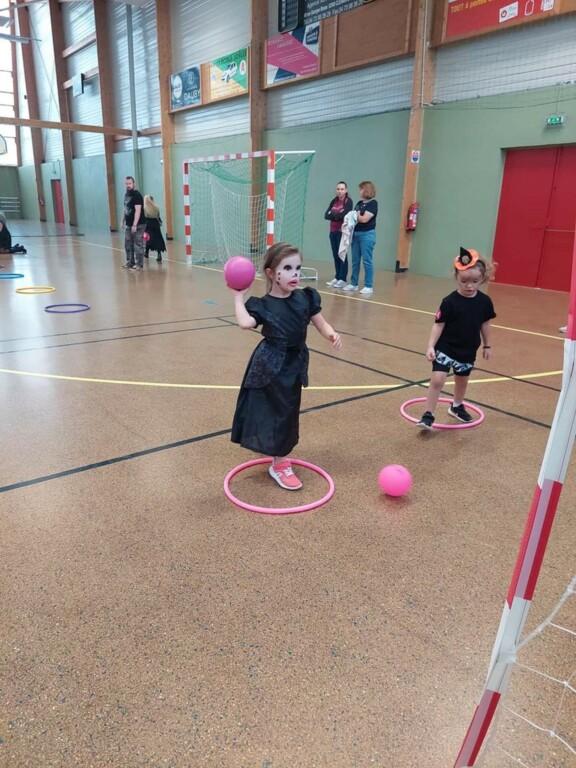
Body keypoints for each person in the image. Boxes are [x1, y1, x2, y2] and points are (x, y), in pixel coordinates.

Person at [230, 242, 342, 490]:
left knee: (287, 411)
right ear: (271, 273)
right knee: (274, 410)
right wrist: (238, 297)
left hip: (294, 364)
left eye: (298, 268)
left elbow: (321, 323)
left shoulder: (305, 298)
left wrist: (331, 334)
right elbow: (246, 323)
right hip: (269, 364)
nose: (295, 274)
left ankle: (277, 454)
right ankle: (280, 463)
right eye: (288, 268)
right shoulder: (263, 304)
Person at [417, 247, 497, 430]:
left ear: (482, 279)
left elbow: (486, 324)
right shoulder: (449, 301)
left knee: (462, 381)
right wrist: (431, 346)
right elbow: (438, 324)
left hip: (467, 349)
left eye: (475, 281)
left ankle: (456, 406)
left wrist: (487, 346)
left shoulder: (484, 302)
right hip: (445, 347)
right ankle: (428, 415)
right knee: (438, 379)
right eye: (464, 281)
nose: (469, 286)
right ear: (457, 277)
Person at [343, 180, 378, 295]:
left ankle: (368, 285)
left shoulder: (373, 203)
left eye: (361, 189)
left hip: (367, 235)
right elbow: (353, 216)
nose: (359, 191)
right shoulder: (359, 203)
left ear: (366, 190)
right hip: (356, 234)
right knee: (355, 260)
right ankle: (353, 283)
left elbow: (364, 219)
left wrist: (357, 215)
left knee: (367, 261)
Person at [324, 181, 353, 287]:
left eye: (342, 189)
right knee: (335, 255)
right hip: (333, 231)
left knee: (342, 254)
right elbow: (326, 215)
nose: (340, 191)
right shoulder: (334, 201)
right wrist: (337, 215)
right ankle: (337, 277)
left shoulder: (348, 201)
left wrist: (334, 215)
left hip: (342, 232)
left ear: (346, 190)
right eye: (338, 189)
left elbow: (344, 215)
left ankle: (342, 279)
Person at [121, 176, 145, 270]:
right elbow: (125, 209)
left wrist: (135, 224)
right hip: (129, 224)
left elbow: (138, 211)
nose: (128, 185)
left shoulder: (137, 195)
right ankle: (130, 262)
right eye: (126, 184)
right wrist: (122, 221)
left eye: (130, 183)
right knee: (128, 243)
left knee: (137, 243)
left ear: (134, 184)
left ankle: (139, 264)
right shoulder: (126, 195)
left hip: (139, 224)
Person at [143, 195, 166, 262]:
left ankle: (146, 252)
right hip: (156, 224)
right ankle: (159, 254)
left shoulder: (145, 209)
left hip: (148, 224)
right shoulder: (156, 208)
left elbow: (144, 217)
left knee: (148, 239)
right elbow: (158, 216)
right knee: (158, 239)